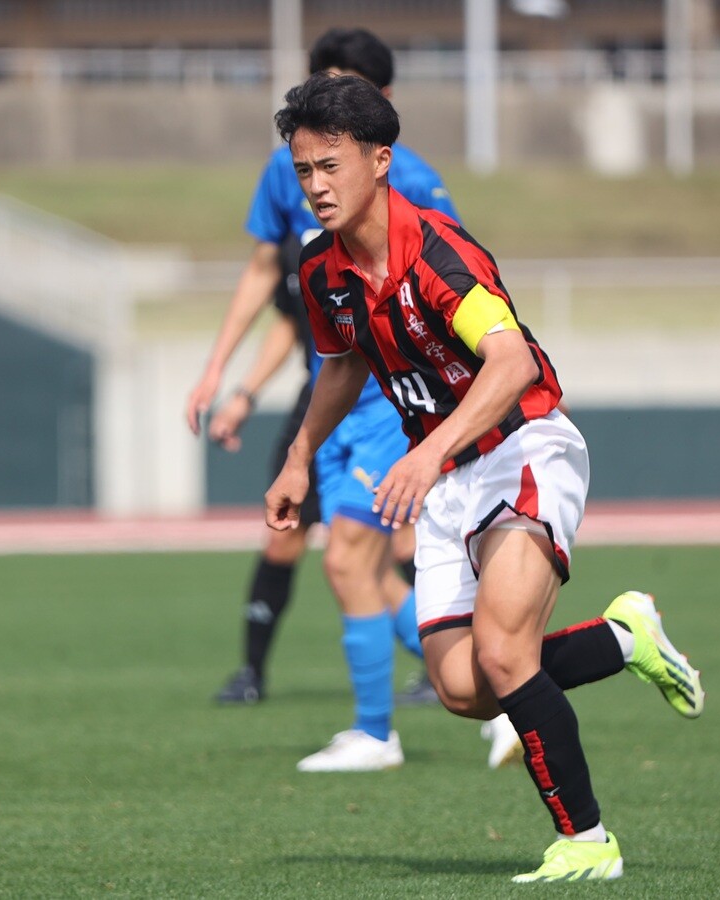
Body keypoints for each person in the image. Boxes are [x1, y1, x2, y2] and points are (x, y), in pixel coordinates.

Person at [266, 72, 705, 881]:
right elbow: (339, 365)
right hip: (449, 481)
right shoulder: (323, 271)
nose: (316, 187)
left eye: (332, 165)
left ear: (381, 160)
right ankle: (624, 637)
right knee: (466, 687)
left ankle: (587, 842)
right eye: (304, 171)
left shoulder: (437, 250)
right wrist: (298, 459)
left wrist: (428, 450)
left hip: (522, 446)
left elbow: (510, 362)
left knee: (505, 655)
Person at [192, 28, 507, 772]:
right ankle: (454, 703)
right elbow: (296, 305)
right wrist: (228, 378)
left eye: (345, 93)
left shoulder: (418, 187)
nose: (315, 178)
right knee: (348, 567)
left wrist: (434, 423)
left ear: (380, 121)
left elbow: (452, 294)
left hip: (385, 401)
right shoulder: (288, 174)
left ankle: (449, 705)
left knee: (358, 559)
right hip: (327, 394)